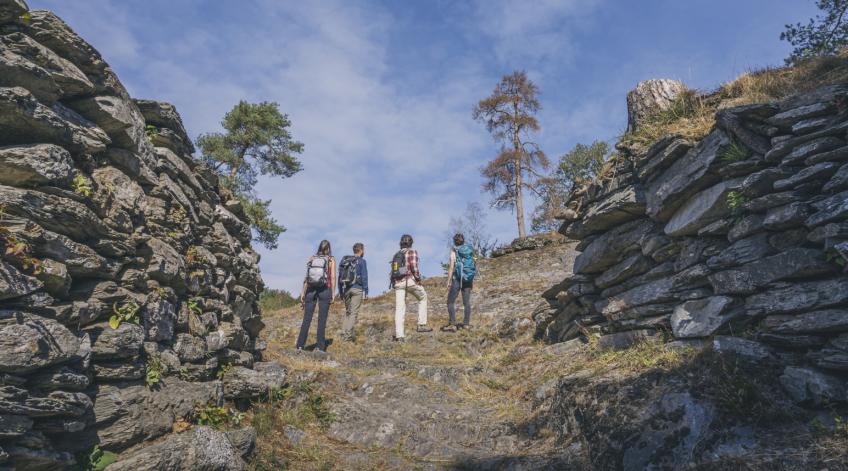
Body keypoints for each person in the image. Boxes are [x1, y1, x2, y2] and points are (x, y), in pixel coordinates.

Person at [390, 234, 432, 341]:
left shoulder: (396, 254)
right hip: (409, 281)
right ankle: (421, 325)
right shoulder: (412, 252)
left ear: (401, 243)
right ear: (411, 243)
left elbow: (393, 271)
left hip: (398, 283)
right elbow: (414, 267)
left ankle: (399, 335)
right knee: (423, 297)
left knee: (400, 309)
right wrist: (418, 279)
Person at [296, 240, 336, 352]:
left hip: (310, 289)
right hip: (324, 290)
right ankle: (320, 347)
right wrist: (333, 293)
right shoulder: (331, 259)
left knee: (306, 319)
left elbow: (306, 277)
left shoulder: (312, 258)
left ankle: (300, 345)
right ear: (328, 248)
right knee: (322, 319)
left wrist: (303, 293)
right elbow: (332, 277)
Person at [442, 233, 476, 332]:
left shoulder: (454, 251)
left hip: (457, 278)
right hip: (468, 279)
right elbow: (474, 262)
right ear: (463, 240)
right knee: (466, 303)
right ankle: (466, 324)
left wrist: (448, 281)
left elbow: (451, 267)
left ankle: (452, 324)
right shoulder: (469, 249)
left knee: (450, 301)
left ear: (454, 241)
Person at [338, 242, 369, 342]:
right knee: (353, 313)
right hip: (357, 289)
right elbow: (364, 276)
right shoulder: (362, 261)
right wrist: (366, 291)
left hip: (346, 288)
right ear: (361, 250)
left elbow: (340, 276)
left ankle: (343, 332)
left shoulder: (346, 260)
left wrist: (340, 291)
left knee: (348, 312)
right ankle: (347, 336)